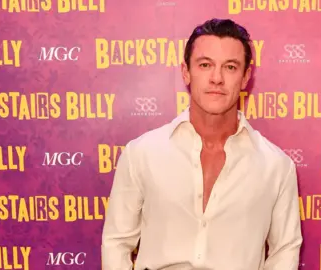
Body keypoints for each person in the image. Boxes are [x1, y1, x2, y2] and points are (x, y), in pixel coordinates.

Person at [101, 18, 303, 270]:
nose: (216, 78)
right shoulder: (141, 153)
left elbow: (284, 253)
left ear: (245, 77)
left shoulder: (277, 166)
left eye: (230, 67)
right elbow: (116, 243)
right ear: (186, 72)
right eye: (205, 65)